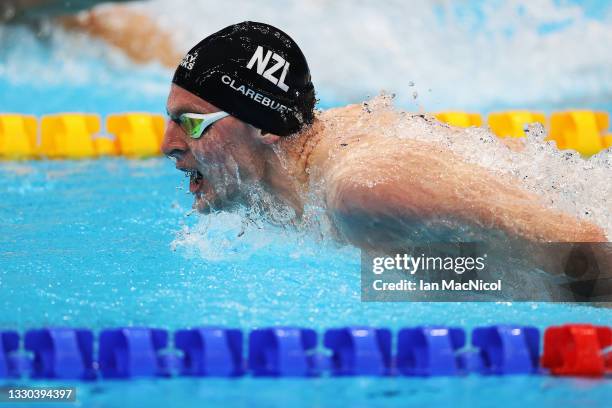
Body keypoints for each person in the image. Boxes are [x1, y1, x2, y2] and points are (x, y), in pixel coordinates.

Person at [161, 21, 608, 259]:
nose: (168, 145)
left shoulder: (364, 191)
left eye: (192, 123)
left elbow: (581, 241)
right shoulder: (300, 170)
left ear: (266, 127)